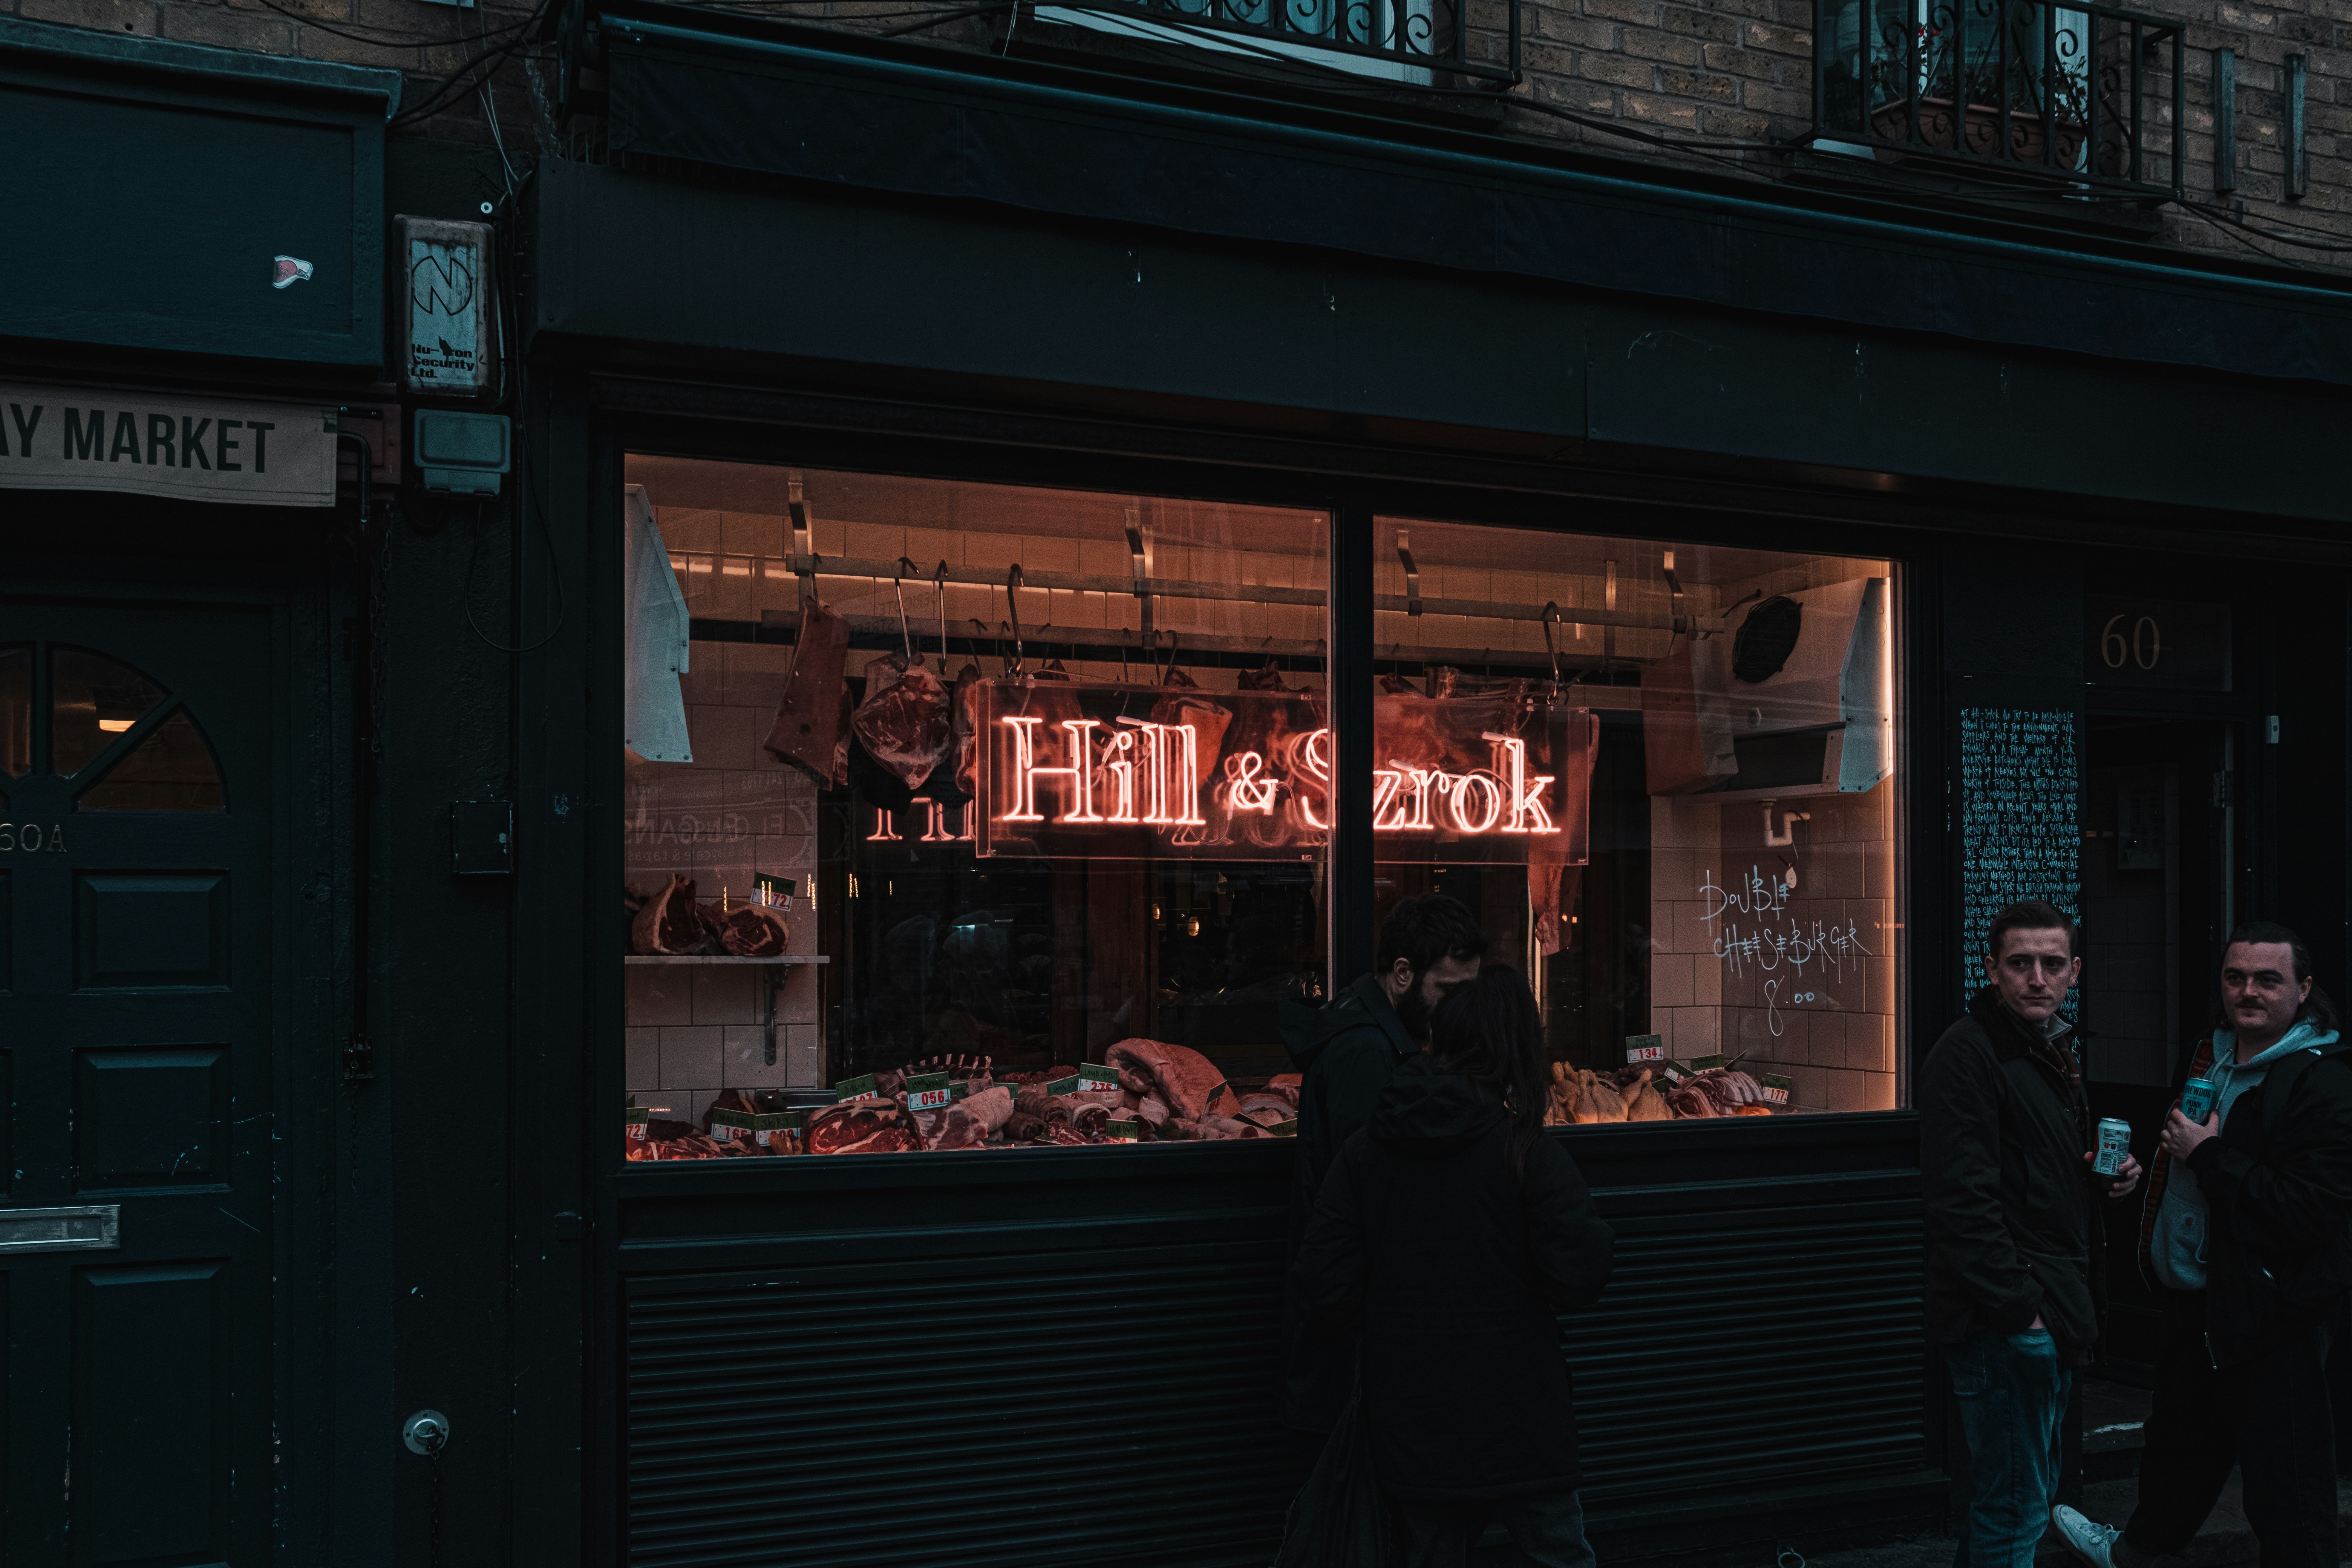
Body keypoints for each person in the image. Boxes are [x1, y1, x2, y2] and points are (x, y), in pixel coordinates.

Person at [2052, 922, 2352, 1568]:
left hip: (2270, 1318)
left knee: (2287, 1486)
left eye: (2268, 980)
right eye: (2235, 977)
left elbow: (2308, 1210)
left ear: (2304, 989)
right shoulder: (2209, 1055)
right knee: (2179, 1447)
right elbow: (2179, 1159)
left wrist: (2210, 1155)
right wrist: (2135, 1175)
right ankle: (2134, 1554)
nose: (2249, 992)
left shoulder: (2322, 1083)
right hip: (2195, 1302)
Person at [1294, 966, 1616, 1568]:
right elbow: (1583, 1273)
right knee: (1558, 1554)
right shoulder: (1525, 1150)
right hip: (1519, 1414)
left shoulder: (1366, 1150)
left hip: (1413, 1419)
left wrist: (1390, 1322)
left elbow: (1324, 1275)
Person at [1921, 900, 2143, 1568]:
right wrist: (2023, 1314)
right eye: (2020, 963)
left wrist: (2105, 1178)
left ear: (2075, 971)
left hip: (2045, 1306)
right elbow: (1961, 1203)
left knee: (2016, 1498)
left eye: (2052, 963)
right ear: (1992, 970)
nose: (2037, 978)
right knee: (2015, 1508)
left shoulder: (2048, 1047)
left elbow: (2031, 1173)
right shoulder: (1969, 1053)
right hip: (2004, 1321)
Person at [1282, 894, 1486, 1444]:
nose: (1459, 1010)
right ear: (1402, 974)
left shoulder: (1373, 1034)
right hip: (1357, 1335)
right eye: (1449, 991)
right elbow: (1373, 1201)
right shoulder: (1367, 1055)